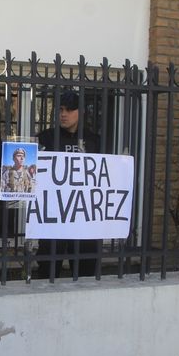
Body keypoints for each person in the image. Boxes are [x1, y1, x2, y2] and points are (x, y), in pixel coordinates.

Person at [35, 90, 101, 278]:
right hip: (53, 217)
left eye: (69, 110)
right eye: (61, 109)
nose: (63, 114)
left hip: (83, 218)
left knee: (86, 273)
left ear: (81, 112)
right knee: (48, 272)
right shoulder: (46, 138)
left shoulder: (94, 141)